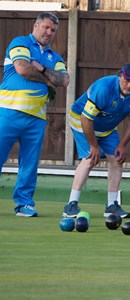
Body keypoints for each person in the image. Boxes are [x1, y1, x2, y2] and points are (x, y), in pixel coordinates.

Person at [0, 12, 69, 217]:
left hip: (37, 118)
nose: (49, 32)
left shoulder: (54, 57)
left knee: (29, 163)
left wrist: (42, 68)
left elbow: (64, 81)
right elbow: (22, 69)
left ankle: (24, 204)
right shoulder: (20, 42)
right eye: (46, 27)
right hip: (8, 111)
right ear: (36, 25)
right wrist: (48, 79)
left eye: (53, 30)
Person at [62, 63, 130, 219]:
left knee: (117, 160)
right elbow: (86, 118)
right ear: (120, 75)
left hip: (107, 128)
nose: (129, 85)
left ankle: (111, 206)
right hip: (81, 120)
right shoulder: (104, 88)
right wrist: (94, 146)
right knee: (89, 159)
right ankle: (70, 205)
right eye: (126, 80)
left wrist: (122, 144)